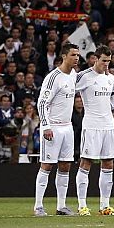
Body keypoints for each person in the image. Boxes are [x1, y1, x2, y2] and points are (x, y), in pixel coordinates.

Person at [35, 47, 81, 216]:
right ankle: (38, 206)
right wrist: (46, 125)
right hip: (52, 127)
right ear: (64, 56)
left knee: (65, 166)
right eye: (73, 55)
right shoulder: (53, 77)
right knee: (46, 165)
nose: (76, 58)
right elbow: (41, 103)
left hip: (67, 127)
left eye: (77, 55)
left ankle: (61, 206)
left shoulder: (74, 75)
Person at [74, 50, 114, 216]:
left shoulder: (110, 78)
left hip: (108, 126)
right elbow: (68, 92)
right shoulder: (84, 76)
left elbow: (113, 99)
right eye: (103, 60)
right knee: (86, 163)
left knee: (108, 163)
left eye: (108, 61)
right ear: (95, 59)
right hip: (91, 126)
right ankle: (82, 206)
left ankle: (105, 206)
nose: (106, 64)